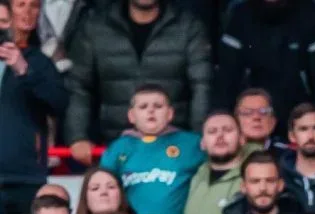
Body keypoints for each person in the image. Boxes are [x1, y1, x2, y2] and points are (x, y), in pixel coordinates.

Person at [65, 0, 211, 153]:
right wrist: (77, 137)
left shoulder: (188, 26)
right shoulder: (95, 26)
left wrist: (199, 138)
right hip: (115, 146)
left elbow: (202, 86)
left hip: (176, 148)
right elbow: (79, 87)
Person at [98, 84, 204, 214]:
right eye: (143, 107)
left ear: (170, 113)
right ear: (131, 116)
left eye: (158, 106)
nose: (151, 111)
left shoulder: (191, 144)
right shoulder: (118, 148)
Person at [215, 0, 315, 132]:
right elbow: (226, 81)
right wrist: (225, 125)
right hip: (252, 119)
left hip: (300, 119)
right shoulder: (241, 15)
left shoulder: (313, 15)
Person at [0, 0, 67, 214]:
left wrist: (24, 71)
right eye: (21, 5)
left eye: (35, 6)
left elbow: (59, 103)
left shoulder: (38, 62)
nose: (29, 12)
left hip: (24, 176)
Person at [182, 111, 246, 214]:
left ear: (242, 139)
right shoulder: (196, 176)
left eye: (227, 130)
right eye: (212, 131)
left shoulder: (250, 179)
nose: (220, 135)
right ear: (202, 143)